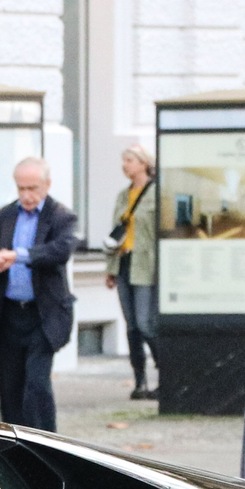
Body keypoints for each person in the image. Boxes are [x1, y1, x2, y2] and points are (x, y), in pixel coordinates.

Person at [0, 157, 81, 432]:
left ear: (47, 185)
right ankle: (13, 445)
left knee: (36, 386)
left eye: (32, 188)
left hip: (43, 315)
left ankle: (48, 443)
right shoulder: (5, 215)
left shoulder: (62, 216)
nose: (26, 195)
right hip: (9, 314)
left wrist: (19, 256)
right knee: (9, 388)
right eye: (21, 188)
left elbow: (60, 251)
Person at [105, 145, 161, 402]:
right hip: (124, 263)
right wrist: (110, 269)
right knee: (131, 328)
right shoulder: (122, 195)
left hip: (146, 265)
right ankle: (140, 382)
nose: (124, 165)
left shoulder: (156, 193)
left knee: (145, 324)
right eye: (123, 160)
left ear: (143, 163)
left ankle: (166, 376)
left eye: (129, 160)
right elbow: (114, 233)